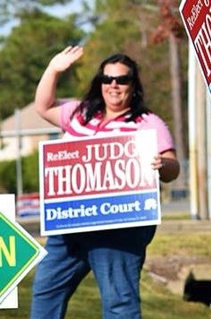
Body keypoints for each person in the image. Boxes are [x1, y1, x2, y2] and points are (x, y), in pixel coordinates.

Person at [31, 46, 180, 319]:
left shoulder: (148, 123)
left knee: (118, 303)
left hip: (119, 230)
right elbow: (43, 107)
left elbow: (172, 169)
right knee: (45, 292)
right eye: (107, 79)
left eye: (122, 79)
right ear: (99, 83)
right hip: (69, 223)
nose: (114, 85)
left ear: (133, 86)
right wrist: (53, 69)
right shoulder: (80, 112)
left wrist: (162, 164)